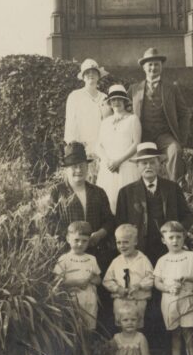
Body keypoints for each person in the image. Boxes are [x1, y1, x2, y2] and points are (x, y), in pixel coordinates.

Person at [116, 142, 193, 267]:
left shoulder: (172, 188)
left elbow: (188, 216)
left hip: (169, 249)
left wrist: (176, 234)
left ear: (159, 165)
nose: (148, 166)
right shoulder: (126, 192)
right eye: (144, 163)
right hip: (139, 250)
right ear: (137, 166)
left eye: (152, 162)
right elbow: (120, 222)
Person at [48, 141, 115, 273]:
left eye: (82, 166)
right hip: (68, 254)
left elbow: (110, 220)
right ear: (66, 169)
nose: (78, 170)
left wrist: (100, 235)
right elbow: (50, 223)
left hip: (96, 254)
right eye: (74, 166)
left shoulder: (98, 192)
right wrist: (72, 239)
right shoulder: (57, 191)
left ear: (87, 167)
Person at [127, 47, 191, 181]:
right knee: (134, 158)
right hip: (143, 136)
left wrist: (181, 140)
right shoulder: (134, 89)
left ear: (161, 67)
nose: (153, 68)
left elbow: (184, 113)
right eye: (150, 64)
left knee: (175, 151)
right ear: (144, 67)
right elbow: (125, 112)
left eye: (157, 64)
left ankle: (174, 189)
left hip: (164, 136)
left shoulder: (171, 88)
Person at [153, 221, 193, 355]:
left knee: (188, 330)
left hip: (188, 299)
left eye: (178, 237)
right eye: (171, 237)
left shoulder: (191, 256)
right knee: (175, 332)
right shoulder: (162, 260)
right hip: (170, 300)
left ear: (184, 238)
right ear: (164, 240)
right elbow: (157, 282)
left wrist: (186, 277)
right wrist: (167, 288)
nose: (175, 241)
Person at [96, 85, 141, 214]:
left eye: (120, 99)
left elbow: (136, 143)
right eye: (113, 100)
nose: (116, 102)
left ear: (125, 101)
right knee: (109, 201)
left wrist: (118, 161)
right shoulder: (105, 122)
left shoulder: (133, 119)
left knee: (128, 202)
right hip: (108, 167)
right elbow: (98, 145)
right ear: (109, 103)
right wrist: (107, 161)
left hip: (126, 165)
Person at [64, 59, 111, 179]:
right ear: (83, 77)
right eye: (87, 73)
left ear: (98, 76)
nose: (91, 75)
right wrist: (75, 146)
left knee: (100, 180)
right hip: (81, 146)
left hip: (101, 147)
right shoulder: (75, 96)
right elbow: (70, 123)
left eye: (94, 72)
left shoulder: (105, 98)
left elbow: (108, 124)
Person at [53, 221, 101, 332]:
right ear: (68, 238)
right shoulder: (64, 259)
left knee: (89, 329)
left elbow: (98, 280)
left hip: (90, 301)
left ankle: (88, 348)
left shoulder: (91, 259)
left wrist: (92, 279)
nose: (80, 244)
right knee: (73, 329)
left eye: (84, 241)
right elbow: (57, 282)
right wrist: (77, 282)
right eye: (76, 240)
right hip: (72, 301)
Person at [103, 224, 154, 329]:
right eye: (119, 242)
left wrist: (139, 285)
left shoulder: (143, 260)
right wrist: (117, 288)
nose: (122, 246)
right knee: (121, 325)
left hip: (137, 300)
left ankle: (137, 343)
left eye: (126, 242)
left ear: (135, 242)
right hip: (120, 300)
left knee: (136, 324)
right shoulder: (116, 261)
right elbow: (107, 280)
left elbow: (151, 278)